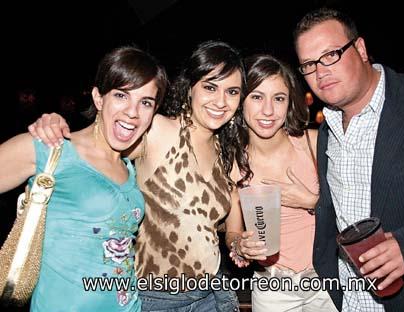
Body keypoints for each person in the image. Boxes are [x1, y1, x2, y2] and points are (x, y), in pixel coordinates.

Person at [27, 40, 248, 312]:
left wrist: (239, 244)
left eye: (232, 91)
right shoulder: (156, 130)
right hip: (155, 299)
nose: (221, 101)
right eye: (210, 87)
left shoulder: (229, 155)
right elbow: (96, 146)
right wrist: (56, 125)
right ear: (190, 87)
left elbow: (231, 228)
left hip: (212, 295)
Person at [293, 7, 404, 312]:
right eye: (309, 64)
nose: (320, 72)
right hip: (348, 303)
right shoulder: (326, 132)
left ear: (360, 49)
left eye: (331, 55)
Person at [0, 46, 168, 311]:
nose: (133, 112)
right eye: (121, 95)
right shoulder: (51, 148)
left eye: (146, 102)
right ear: (99, 99)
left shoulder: (130, 166)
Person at [226, 54, 338, 312]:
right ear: (241, 102)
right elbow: (232, 230)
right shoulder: (233, 164)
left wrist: (311, 202)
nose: (268, 110)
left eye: (278, 98)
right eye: (256, 97)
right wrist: (239, 245)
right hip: (272, 286)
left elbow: (355, 209)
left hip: (325, 277)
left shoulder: (313, 144)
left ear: (289, 104)